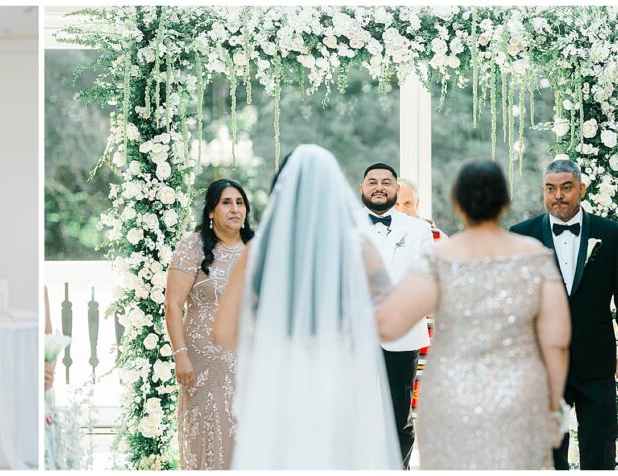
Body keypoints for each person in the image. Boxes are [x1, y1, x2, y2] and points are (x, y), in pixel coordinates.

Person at [213, 145, 400, 469]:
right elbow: (391, 317)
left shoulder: (256, 253)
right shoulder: (357, 247)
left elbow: (224, 332)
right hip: (338, 383)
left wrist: (272, 350)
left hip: (279, 385)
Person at [376, 158, 571, 470]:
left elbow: (391, 325)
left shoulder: (438, 257)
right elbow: (557, 341)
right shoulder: (534, 255)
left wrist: (370, 267)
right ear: (505, 201)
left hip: (451, 400)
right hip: (520, 398)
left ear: (456, 202)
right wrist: (551, 407)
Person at [510, 159, 618, 470]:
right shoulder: (521, 236)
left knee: (599, 448)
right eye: (551, 189)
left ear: (581, 189)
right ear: (543, 192)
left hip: (596, 361)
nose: (559, 195)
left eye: (566, 188)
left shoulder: (610, 234)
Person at [164, 179, 253, 469]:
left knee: (246, 436)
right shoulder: (192, 247)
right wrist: (181, 355)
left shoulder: (256, 247)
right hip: (202, 363)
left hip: (247, 361)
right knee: (205, 435)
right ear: (211, 211)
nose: (235, 209)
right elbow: (173, 304)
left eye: (240, 203)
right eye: (226, 202)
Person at [358, 164, 433, 469]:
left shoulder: (417, 230)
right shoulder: (342, 225)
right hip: (356, 336)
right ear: (362, 188)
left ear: (395, 190)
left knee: (399, 417)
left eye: (386, 182)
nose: (379, 187)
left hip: (402, 336)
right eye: (372, 182)